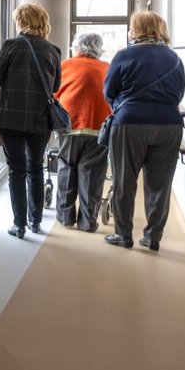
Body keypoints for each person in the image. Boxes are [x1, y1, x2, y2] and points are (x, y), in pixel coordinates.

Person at [102, 11, 185, 251]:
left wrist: (123, 104)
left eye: (131, 27)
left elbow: (108, 91)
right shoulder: (174, 59)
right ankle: (152, 237)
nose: (129, 32)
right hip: (169, 124)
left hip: (130, 123)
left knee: (124, 181)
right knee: (161, 184)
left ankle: (123, 234)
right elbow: (179, 92)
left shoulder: (124, 55)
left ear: (137, 30)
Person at [0, 3, 62, 239]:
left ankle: (19, 225)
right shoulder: (53, 50)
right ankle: (36, 222)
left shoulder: (12, 45)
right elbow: (56, 86)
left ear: (21, 21)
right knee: (36, 168)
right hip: (41, 120)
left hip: (11, 119)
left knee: (16, 171)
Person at [53, 32, 112, 232]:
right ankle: (88, 222)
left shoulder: (66, 65)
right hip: (98, 128)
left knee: (67, 168)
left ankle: (65, 217)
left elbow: (54, 94)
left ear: (78, 47)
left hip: (70, 126)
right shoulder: (107, 68)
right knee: (92, 174)